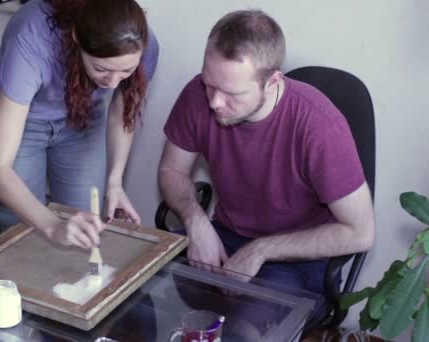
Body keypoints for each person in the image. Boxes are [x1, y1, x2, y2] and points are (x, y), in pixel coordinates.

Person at [158, 9, 375, 299]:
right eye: (209, 84)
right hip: (227, 234)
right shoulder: (198, 95)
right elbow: (172, 170)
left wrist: (262, 250)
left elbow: (360, 232)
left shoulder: (320, 127)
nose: (214, 102)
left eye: (231, 93)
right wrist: (195, 220)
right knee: (147, 288)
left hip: (296, 258)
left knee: (247, 329)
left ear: (272, 82)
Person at [0, 0, 159, 249]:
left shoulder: (143, 44)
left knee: (82, 227)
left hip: (81, 113)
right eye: (101, 69)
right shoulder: (33, 40)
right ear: (77, 37)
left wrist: (115, 182)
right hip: (23, 119)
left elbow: (121, 113)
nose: (112, 83)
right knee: (21, 233)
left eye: (126, 72)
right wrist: (53, 226)